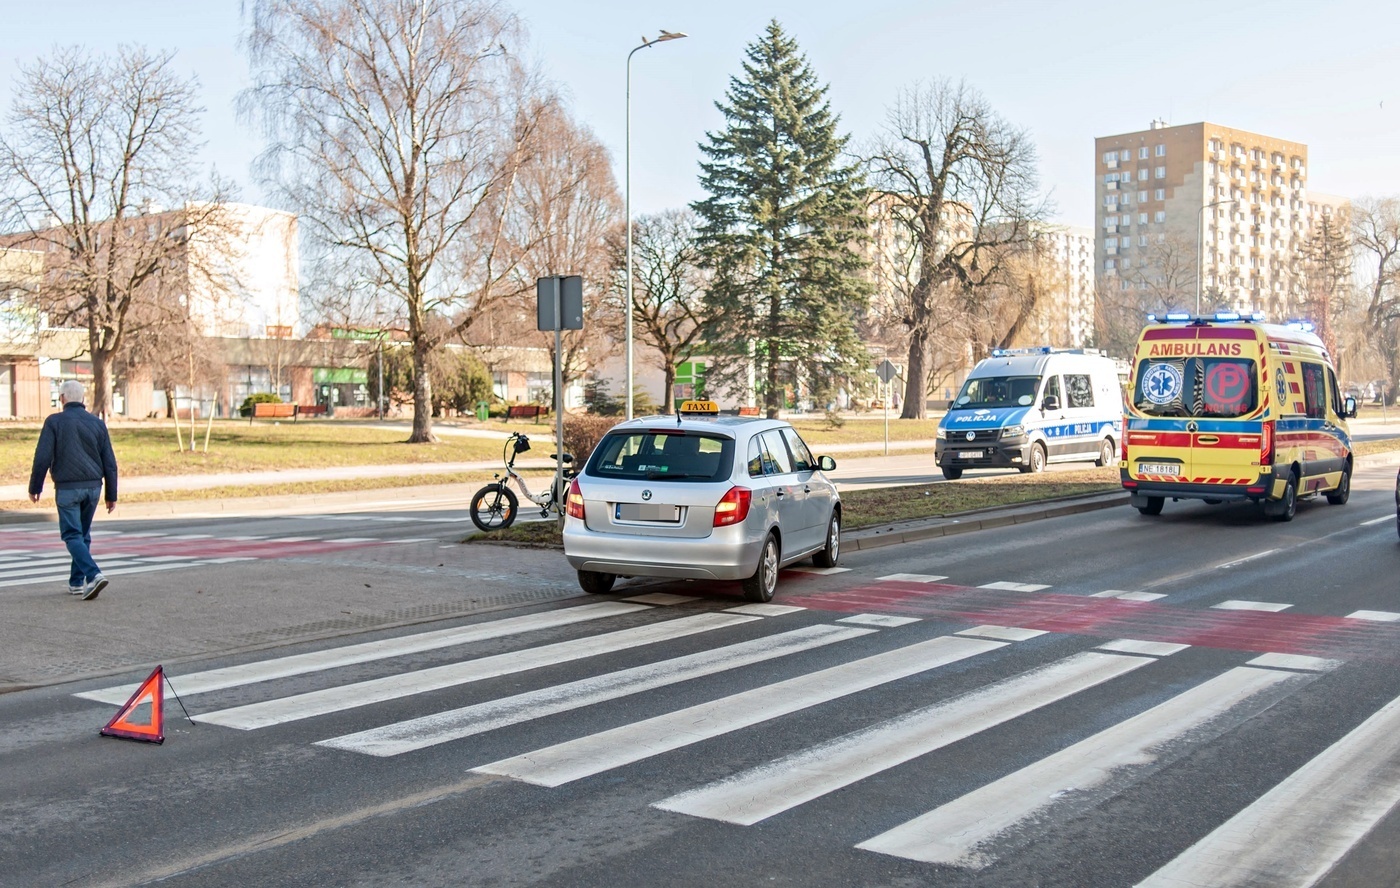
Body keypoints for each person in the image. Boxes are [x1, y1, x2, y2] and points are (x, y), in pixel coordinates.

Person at [28, 380, 119, 601]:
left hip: (68, 488)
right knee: (83, 534)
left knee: (71, 534)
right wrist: (111, 495)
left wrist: (35, 487)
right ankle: (77, 583)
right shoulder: (97, 423)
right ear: (83, 399)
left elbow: (42, 457)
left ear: (62, 398)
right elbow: (110, 462)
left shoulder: (54, 422)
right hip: (93, 488)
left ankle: (93, 574)